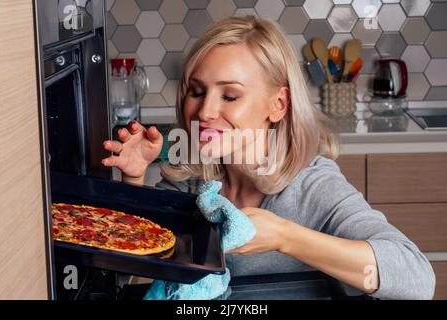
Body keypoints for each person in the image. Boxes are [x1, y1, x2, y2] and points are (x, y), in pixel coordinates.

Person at [102, 16, 435, 299]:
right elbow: (128, 267)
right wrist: (135, 178)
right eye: (197, 91)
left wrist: (285, 237)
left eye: (230, 95)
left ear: (278, 105)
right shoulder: (191, 178)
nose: (204, 111)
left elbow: (417, 279)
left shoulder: (311, 186)